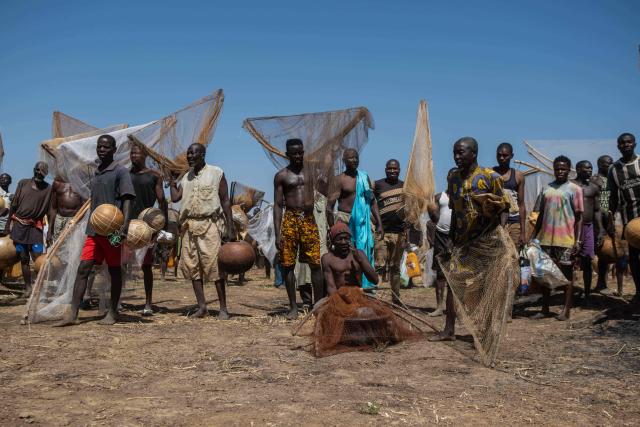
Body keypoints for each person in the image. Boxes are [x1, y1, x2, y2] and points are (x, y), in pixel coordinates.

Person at [431, 137, 512, 346]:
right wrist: (450, 239)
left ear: (473, 154)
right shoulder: (453, 177)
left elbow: (504, 207)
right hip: (461, 241)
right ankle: (449, 329)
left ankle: (486, 332)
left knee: (485, 288)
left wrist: (499, 227)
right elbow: (455, 211)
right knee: (453, 283)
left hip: (485, 241)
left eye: (461, 153)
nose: (457, 157)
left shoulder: (489, 177)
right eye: (455, 153)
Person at [56, 135, 135, 326]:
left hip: (113, 231)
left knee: (115, 270)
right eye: (100, 146)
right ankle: (73, 314)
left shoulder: (120, 171)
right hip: (93, 230)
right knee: (83, 268)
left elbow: (128, 199)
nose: (102, 149)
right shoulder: (97, 171)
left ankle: (113, 312)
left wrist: (124, 226)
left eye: (106, 147)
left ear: (114, 150)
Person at [169, 143, 235, 319]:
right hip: (189, 226)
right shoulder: (186, 178)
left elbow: (225, 200)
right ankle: (202, 307)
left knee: (214, 265)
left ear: (203, 154)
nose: (189, 156)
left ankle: (223, 308)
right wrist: (172, 182)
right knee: (192, 266)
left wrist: (230, 225)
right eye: (188, 153)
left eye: (193, 153)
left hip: (210, 225)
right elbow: (175, 198)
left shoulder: (216, 173)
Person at [273, 138, 323, 319]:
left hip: (309, 220)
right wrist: (278, 233)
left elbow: (326, 189)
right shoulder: (282, 176)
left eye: (300, 152)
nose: (298, 156)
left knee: (316, 263)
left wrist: (328, 168)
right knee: (287, 265)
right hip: (290, 220)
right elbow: (278, 205)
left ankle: (318, 305)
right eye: (294, 153)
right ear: (287, 155)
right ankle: (293, 307)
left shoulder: (313, 173)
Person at [532, 156, 583, 320]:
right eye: (557, 169)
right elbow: (540, 216)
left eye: (563, 169)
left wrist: (578, 241)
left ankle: (566, 310)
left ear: (569, 170)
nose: (560, 171)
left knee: (566, 276)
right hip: (546, 239)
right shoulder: (546, 189)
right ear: (553, 170)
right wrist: (533, 236)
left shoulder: (575, 189)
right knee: (545, 275)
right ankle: (545, 308)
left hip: (566, 239)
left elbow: (579, 218)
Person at [327, 148, 383, 291]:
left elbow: (372, 201)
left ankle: (365, 287)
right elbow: (330, 206)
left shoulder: (364, 177)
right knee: (345, 254)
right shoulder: (339, 179)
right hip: (345, 221)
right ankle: (347, 287)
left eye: (356, 157)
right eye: (351, 158)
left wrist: (379, 223)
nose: (354, 160)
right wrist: (332, 228)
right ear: (344, 160)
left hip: (363, 222)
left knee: (363, 253)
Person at [126, 144, 168, 316]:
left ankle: (148, 303)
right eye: (131, 153)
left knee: (146, 266)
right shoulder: (125, 175)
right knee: (121, 264)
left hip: (146, 227)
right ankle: (118, 300)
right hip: (127, 225)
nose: (133, 155)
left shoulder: (154, 176)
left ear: (145, 156)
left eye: (137, 153)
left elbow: (162, 200)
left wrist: (162, 225)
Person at [3, 162, 52, 296]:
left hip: (35, 228)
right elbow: (13, 206)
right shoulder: (23, 183)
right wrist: (8, 225)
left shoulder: (48, 189)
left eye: (41, 172)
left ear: (45, 174)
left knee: (37, 258)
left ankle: (38, 287)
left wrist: (50, 232)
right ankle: (28, 287)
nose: (38, 173)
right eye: (37, 170)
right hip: (19, 227)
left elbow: (50, 211)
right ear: (33, 170)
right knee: (23, 258)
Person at [608, 132, 640, 305]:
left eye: (629, 142)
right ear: (618, 146)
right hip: (630, 221)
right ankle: (638, 292)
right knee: (633, 258)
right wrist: (607, 212)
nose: (626, 145)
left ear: (634, 143)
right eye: (622, 143)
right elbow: (608, 194)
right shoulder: (614, 169)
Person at [373, 159, 406, 303]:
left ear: (399, 170)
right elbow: (370, 202)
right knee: (379, 266)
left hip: (399, 233)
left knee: (395, 268)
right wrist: (375, 222)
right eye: (390, 168)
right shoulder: (378, 185)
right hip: (382, 233)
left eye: (395, 169)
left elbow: (410, 209)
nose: (392, 171)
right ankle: (374, 297)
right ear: (385, 169)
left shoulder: (405, 186)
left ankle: (396, 298)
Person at [572, 160, 603, 304]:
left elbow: (597, 210)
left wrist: (600, 230)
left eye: (591, 168)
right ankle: (568, 293)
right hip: (571, 227)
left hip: (588, 227)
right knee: (569, 260)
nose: (590, 170)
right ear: (578, 169)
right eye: (587, 168)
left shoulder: (594, 187)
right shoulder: (570, 186)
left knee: (587, 261)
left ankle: (587, 293)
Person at [590, 154, 622, 294]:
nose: (609, 165)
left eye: (611, 163)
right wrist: (603, 226)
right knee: (600, 252)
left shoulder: (611, 179)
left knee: (609, 252)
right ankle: (598, 285)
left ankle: (603, 284)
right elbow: (598, 205)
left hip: (609, 218)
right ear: (599, 164)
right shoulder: (596, 180)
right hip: (599, 221)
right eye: (606, 164)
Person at [322, 222, 379, 294]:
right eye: (339, 239)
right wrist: (338, 301)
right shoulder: (327, 259)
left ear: (350, 240)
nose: (343, 242)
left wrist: (360, 260)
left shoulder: (359, 254)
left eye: (346, 238)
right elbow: (331, 287)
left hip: (357, 294)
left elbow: (375, 280)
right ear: (333, 242)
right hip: (337, 296)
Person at [493, 143, 526, 247]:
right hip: (495, 222)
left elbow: (521, 204)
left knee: (513, 256)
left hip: (514, 222)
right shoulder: (490, 173)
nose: (502, 158)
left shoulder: (518, 176)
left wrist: (523, 232)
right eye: (499, 155)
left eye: (505, 155)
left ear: (511, 156)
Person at [427, 184, 453, 317]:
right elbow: (431, 212)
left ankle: (455, 307)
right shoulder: (439, 196)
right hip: (440, 236)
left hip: (456, 237)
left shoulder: (462, 196)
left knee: (456, 273)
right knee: (440, 272)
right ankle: (439, 307)